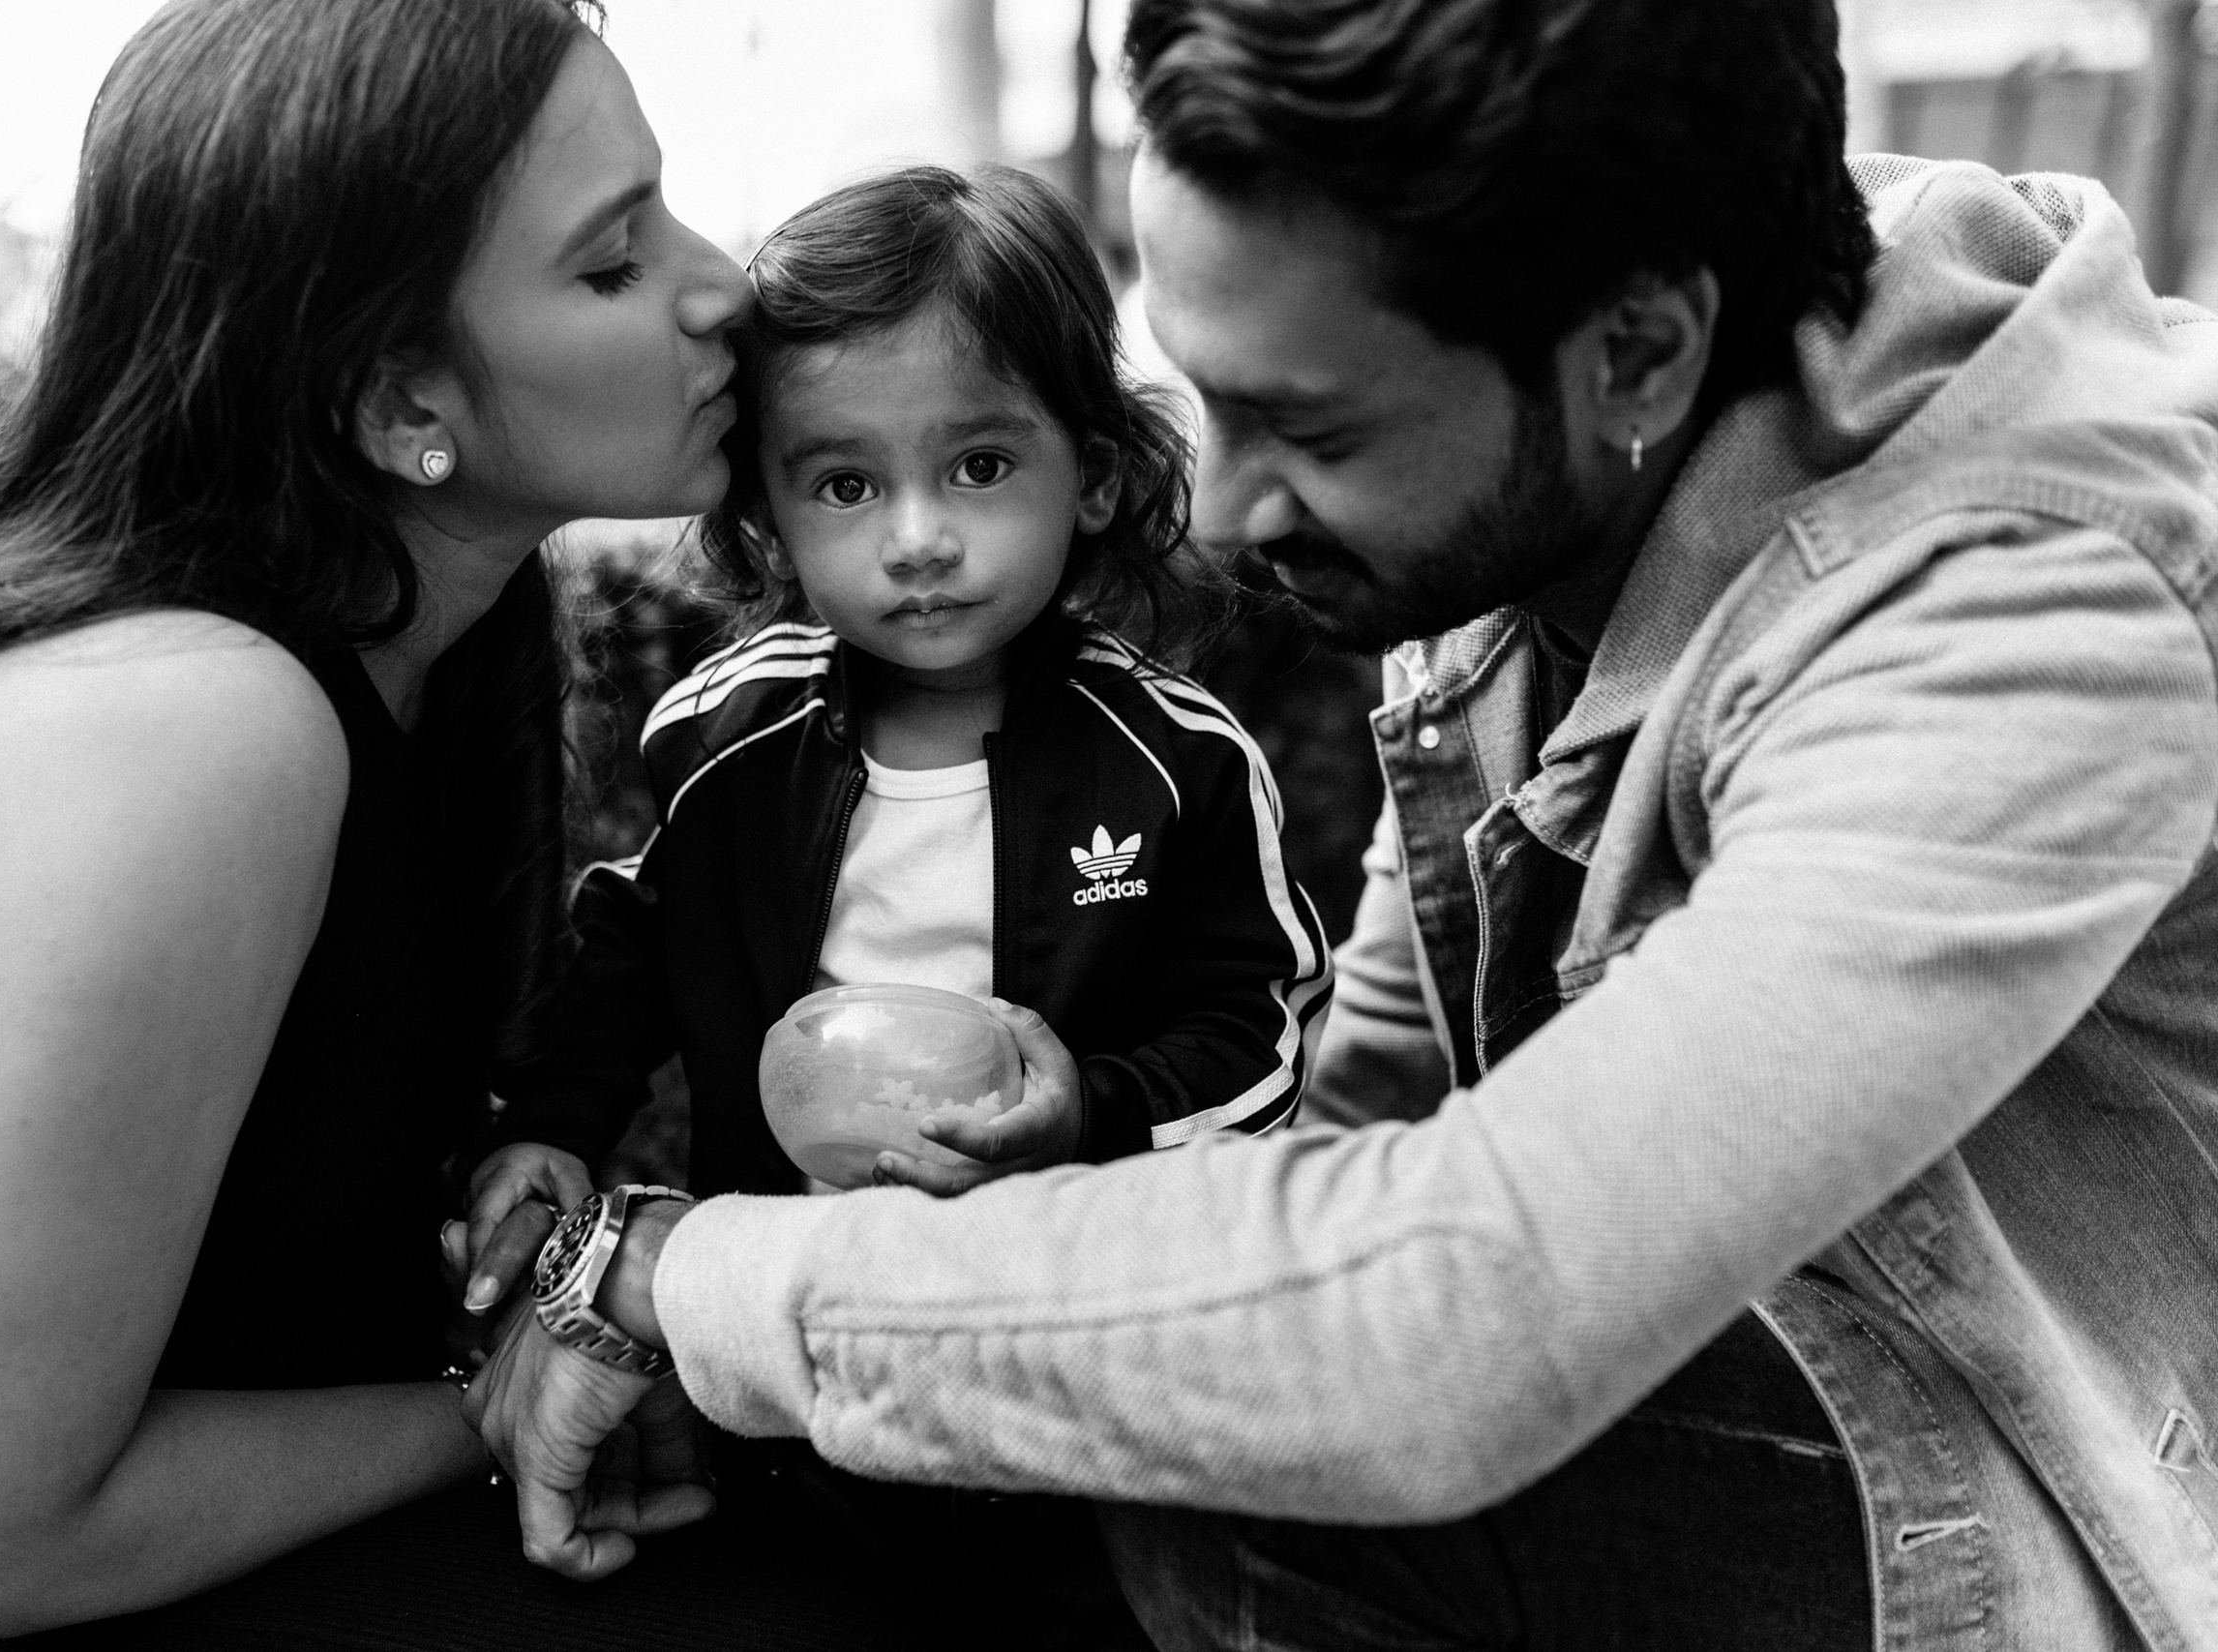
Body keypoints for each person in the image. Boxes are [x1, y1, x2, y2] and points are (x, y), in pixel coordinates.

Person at [468, 1, 2218, 1647]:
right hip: (1741, 1382)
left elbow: (1444, 1315)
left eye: (1307, 426)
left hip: (2036, 1515)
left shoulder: (2027, 619)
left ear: (1638, 354)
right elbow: (1369, 1120)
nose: (1217, 515)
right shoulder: (1552, 404)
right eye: (1205, 388)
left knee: (1242, 1455)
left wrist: (673, 1277)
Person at [0, 2, 895, 1646]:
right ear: (388, 399)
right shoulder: (185, 730)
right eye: (613, 263)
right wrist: (513, 1387)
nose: (726, 286)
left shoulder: (427, 645)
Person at [470, 163, 1331, 1647]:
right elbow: (630, 943)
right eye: (847, 483)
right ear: (771, 513)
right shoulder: (724, 738)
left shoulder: (1179, 761)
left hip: (1068, 1396)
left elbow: (1261, 1033)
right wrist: (550, 1116)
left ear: (1100, 472)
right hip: (786, 1397)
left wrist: (1091, 1111)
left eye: (981, 466)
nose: (917, 537)